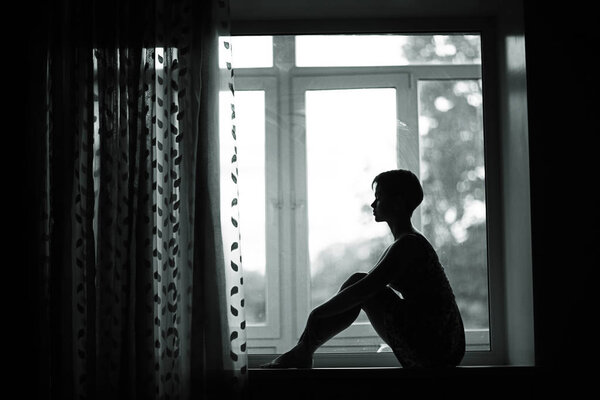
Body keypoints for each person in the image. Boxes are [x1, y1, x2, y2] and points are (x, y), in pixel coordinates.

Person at [260, 169, 465, 369]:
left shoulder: (408, 244)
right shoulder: (406, 241)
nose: (373, 203)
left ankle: (302, 352)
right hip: (442, 341)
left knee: (360, 285)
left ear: (398, 202)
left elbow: (363, 290)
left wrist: (317, 314)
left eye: (379, 196)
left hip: (438, 345)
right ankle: (302, 351)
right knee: (359, 283)